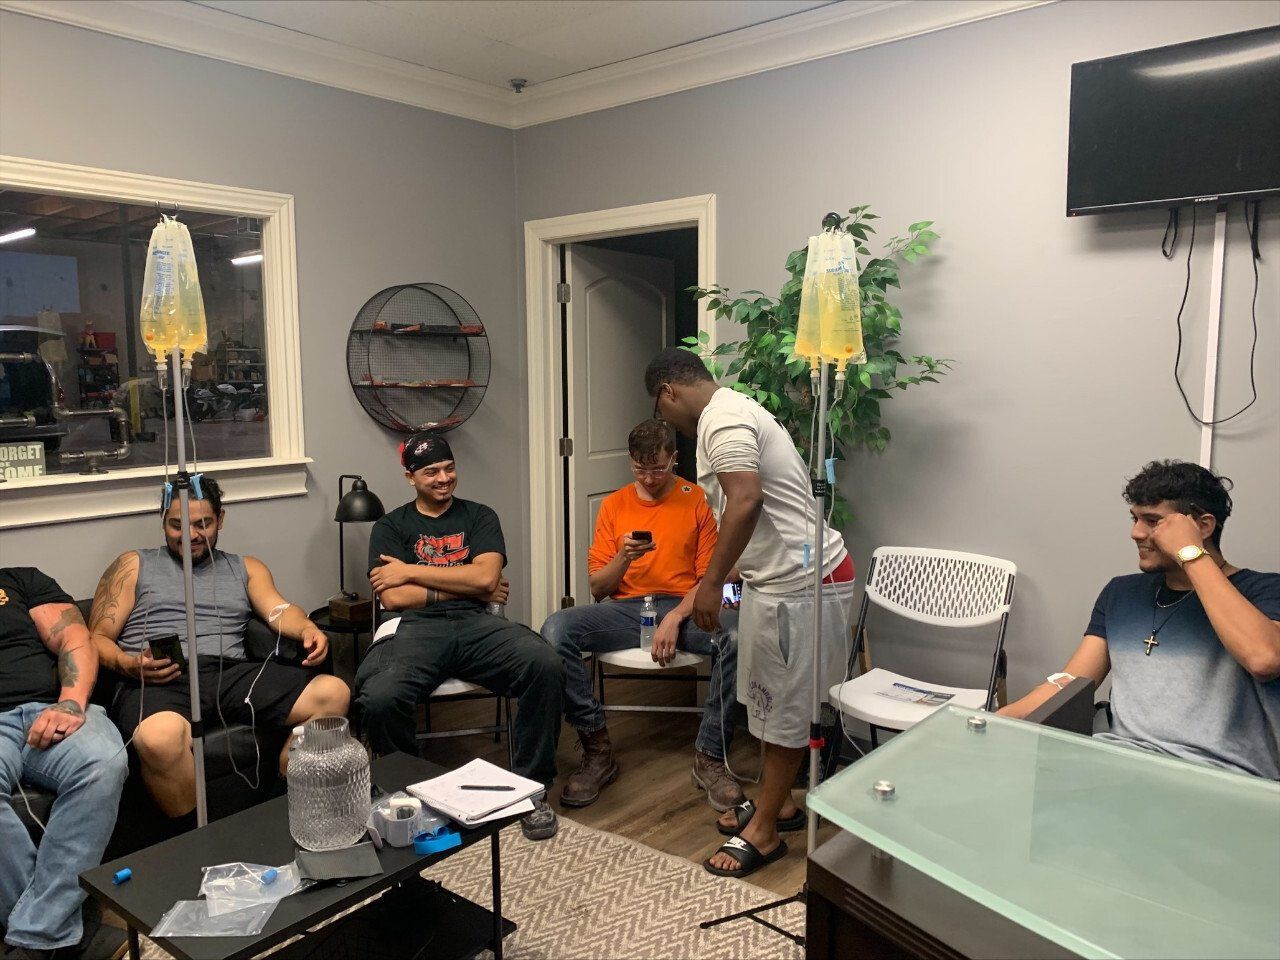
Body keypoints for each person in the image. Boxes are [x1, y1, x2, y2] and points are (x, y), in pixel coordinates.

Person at [646, 348, 856, 878]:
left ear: (668, 391)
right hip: (775, 581)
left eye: (659, 408)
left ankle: (763, 834)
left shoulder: (724, 421)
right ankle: (778, 805)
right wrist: (702, 592)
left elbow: (745, 500)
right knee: (763, 698)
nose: (663, 421)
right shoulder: (731, 412)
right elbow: (752, 519)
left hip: (806, 583)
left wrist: (713, 583)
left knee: (785, 708)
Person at [88, 476, 350, 819]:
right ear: (163, 522)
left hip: (229, 672)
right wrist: (128, 663)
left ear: (221, 520)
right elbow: (96, 637)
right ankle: (196, 840)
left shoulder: (246, 568)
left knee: (334, 693)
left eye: (202, 524)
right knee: (158, 738)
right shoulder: (133, 565)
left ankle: (284, 801)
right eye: (176, 525)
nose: (190, 535)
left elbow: (278, 609)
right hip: (160, 676)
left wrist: (307, 628)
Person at [1000, 460, 1280, 779]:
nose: (1136, 533)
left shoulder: (1266, 591)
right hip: (1117, 763)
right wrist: (997, 719)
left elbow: (1264, 658)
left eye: (1153, 521)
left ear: (1203, 526)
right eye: (1135, 518)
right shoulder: (1121, 592)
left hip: (1219, 777)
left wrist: (1190, 554)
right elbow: (1070, 682)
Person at [354, 433, 563, 841]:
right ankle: (407, 795)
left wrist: (413, 571)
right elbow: (395, 597)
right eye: (431, 471)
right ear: (410, 477)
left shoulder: (479, 516)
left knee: (545, 664)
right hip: (416, 629)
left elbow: (486, 577)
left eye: (449, 468)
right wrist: (468, 584)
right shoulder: (391, 526)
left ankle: (532, 789)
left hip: (477, 623)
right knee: (380, 698)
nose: (443, 478)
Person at [540, 419, 745, 811]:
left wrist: (675, 618)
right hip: (626, 608)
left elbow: (709, 580)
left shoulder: (696, 499)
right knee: (555, 629)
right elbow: (599, 588)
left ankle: (710, 756)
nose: (650, 478)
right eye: (640, 469)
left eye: (659, 468)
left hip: (683, 604)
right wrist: (623, 557)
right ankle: (597, 748)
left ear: (674, 458)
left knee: (734, 637)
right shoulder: (615, 504)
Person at [2, 567, 127, 958]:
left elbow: (74, 636)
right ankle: (55, 936)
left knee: (103, 763)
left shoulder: (19, 582)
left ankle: (35, 940)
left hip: (52, 705)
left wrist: (71, 702)